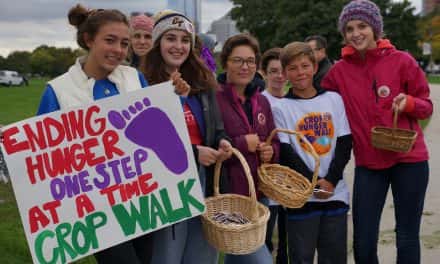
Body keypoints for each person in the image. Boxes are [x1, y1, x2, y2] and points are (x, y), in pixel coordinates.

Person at [36, 5, 188, 264]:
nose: (118, 50)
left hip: (142, 203)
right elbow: (41, 154)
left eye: (124, 43)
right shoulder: (58, 90)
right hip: (96, 213)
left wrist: (176, 99)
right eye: (110, 40)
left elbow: (158, 127)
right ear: (88, 40)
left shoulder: (133, 77)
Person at [321, 1, 433, 263]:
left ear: (375, 28)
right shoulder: (338, 72)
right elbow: (319, 101)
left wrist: (410, 103)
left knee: (406, 235)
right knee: (363, 238)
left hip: (409, 161)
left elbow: (426, 107)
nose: (356, 33)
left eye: (362, 26)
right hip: (369, 164)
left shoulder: (402, 61)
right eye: (349, 28)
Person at [142, 9, 233, 264]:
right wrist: (194, 154)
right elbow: (144, 145)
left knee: (202, 254)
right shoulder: (143, 84)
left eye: (185, 40)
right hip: (166, 187)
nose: (178, 46)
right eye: (171, 38)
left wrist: (222, 142)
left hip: (204, 184)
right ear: (158, 42)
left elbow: (216, 129)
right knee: (166, 256)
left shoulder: (202, 82)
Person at [273, 41, 352, 264]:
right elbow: (287, 152)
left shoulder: (333, 100)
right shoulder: (281, 107)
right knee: (301, 257)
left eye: (305, 66)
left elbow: (344, 143)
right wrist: (314, 184)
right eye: (293, 68)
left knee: (334, 258)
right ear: (285, 73)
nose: (300, 72)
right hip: (301, 197)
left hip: (335, 193)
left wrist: (331, 181)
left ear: (315, 67)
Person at [216, 33, 279, 264]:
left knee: (238, 257)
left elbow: (274, 139)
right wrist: (242, 143)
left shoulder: (261, 100)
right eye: (238, 60)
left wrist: (271, 151)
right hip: (230, 196)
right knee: (259, 258)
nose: (245, 66)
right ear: (226, 63)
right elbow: (210, 143)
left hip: (259, 193)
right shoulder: (214, 98)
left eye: (251, 61)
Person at [260, 47, 288, 264]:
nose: (279, 76)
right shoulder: (260, 102)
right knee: (265, 237)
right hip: (268, 181)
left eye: (283, 71)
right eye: (273, 71)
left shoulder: (292, 102)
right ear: (264, 73)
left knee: (288, 240)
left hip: (291, 181)